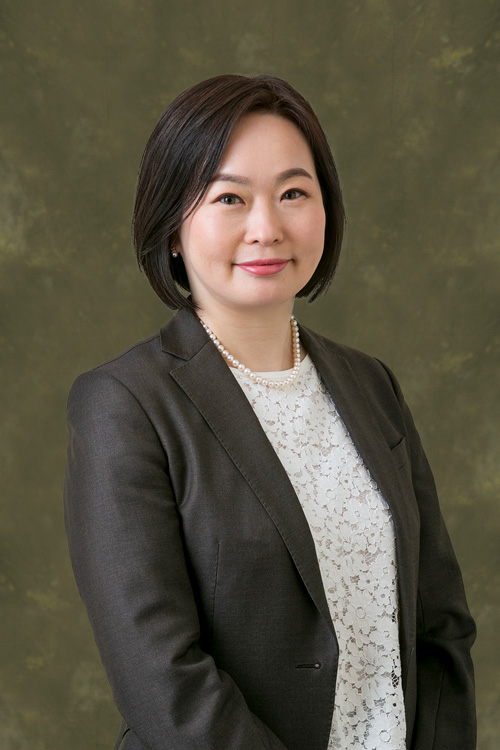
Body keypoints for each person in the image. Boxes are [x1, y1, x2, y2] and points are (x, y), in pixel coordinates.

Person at [64, 74, 476, 750]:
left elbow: (441, 627)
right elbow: (161, 678)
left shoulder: (372, 385)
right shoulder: (124, 404)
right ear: (172, 229)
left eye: (293, 193)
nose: (268, 228)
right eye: (229, 197)